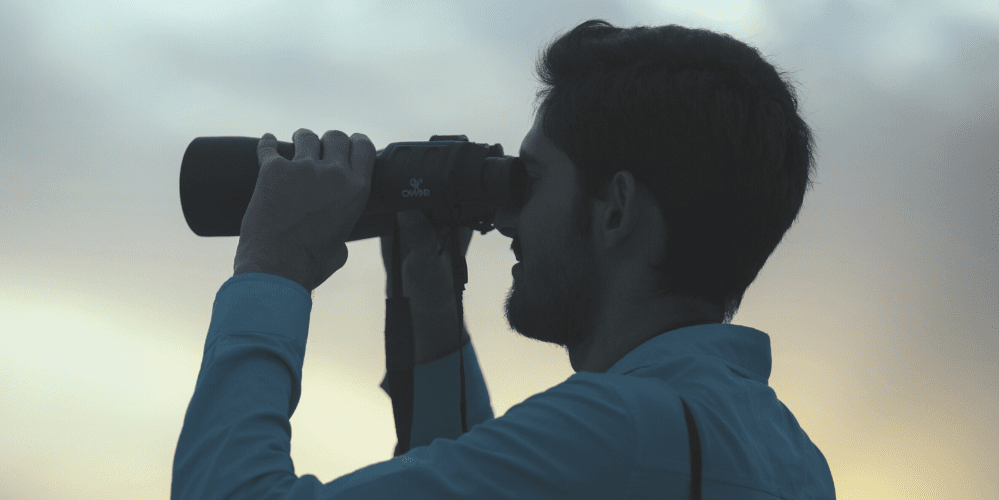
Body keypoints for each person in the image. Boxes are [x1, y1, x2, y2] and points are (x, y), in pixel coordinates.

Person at [173, 19, 836, 499]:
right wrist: (433, 315)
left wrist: (274, 264)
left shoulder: (619, 430)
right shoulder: (788, 456)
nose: (509, 217)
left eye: (531, 180)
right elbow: (480, 476)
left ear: (615, 209)